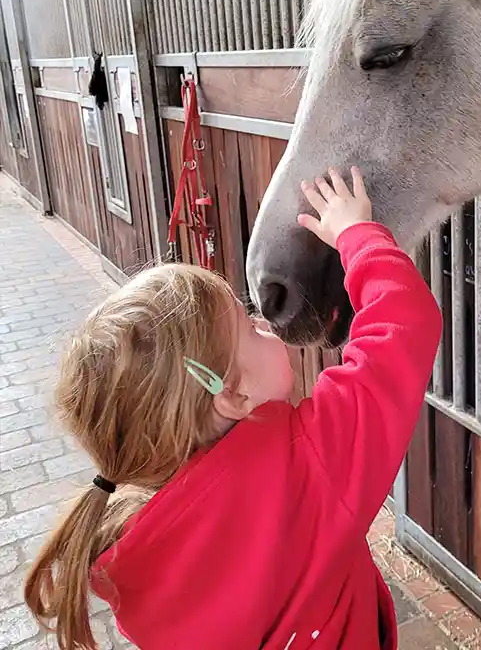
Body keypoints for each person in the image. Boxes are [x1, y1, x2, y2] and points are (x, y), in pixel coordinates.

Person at [24, 167, 442, 650]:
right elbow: (402, 325)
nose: (263, 322)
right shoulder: (307, 468)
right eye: (247, 326)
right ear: (233, 396)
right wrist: (358, 236)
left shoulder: (136, 558)